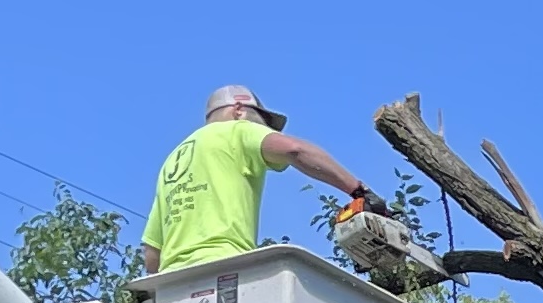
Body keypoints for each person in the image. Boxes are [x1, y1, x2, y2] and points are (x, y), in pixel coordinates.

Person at [138, 86, 381, 280]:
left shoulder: (172, 162)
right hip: (224, 267)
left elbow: (152, 255)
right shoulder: (235, 130)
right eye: (262, 123)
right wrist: (359, 191)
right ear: (239, 110)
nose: (264, 130)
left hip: (172, 283)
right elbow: (295, 150)